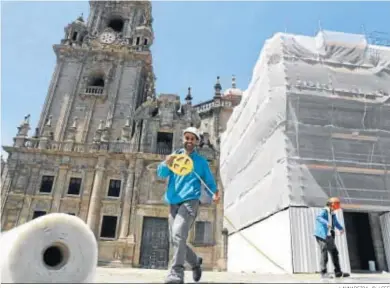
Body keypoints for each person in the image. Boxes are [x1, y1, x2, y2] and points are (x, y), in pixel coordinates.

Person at [157, 127, 220, 284]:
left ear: (197, 142)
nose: (189, 141)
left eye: (193, 139)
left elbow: (210, 181)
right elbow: (161, 173)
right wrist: (166, 163)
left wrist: (215, 193)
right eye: (187, 138)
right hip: (173, 201)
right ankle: (195, 261)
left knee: (178, 234)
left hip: (190, 201)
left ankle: (176, 273)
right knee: (175, 239)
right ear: (183, 139)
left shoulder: (201, 162)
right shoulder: (174, 157)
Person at [314, 197, 350, 279]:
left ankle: (338, 272)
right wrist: (326, 222)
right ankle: (323, 273)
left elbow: (335, 222)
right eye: (337, 204)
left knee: (334, 252)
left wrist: (341, 228)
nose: (338, 206)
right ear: (332, 204)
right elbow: (318, 217)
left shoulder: (333, 213)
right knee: (324, 252)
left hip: (329, 235)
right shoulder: (325, 210)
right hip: (321, 235)